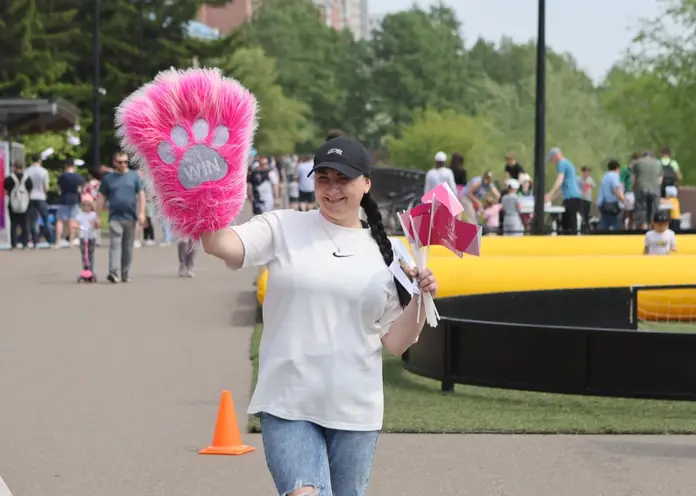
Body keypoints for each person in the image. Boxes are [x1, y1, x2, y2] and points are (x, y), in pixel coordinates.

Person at [201, 136, 437, 496]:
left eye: (343, 179)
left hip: (355, 410)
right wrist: (200, 196)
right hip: (287, 401)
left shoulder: (391, 254)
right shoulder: (283, 227)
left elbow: (395, 342)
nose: (332, 189)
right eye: (323, 178)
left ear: (366, 184)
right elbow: (220, 244)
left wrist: (421, 300)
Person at [97, 151, 146, 283]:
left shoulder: (134, 177)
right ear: (114, 163)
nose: (123, 164)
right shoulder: (108, 179)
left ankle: (125, 271)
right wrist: (98, 216)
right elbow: (101, 198)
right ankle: (113, 271)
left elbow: (141, 195)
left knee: (127, 247)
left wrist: (142, 213)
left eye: (125, 161)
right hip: (115, 217)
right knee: (115, 245)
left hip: (130, 217)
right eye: (120, 162)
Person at [545, 147, 583, 234]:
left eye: (552, 159)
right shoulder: (568, 163)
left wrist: (550, 194)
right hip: (573, 197)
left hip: (570, 198)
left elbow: (559, 181)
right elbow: (563, 187)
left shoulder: (561, 163)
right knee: (568, 223)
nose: (553, 162)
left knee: (568, 225)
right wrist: (551, 198)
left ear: (555, 156)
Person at [55, 159, 85, 247]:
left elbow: (59, 189)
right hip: (74, 199)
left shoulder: (61, 177)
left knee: (60, 220)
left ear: (65, 167)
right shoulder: (78, 177)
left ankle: (57, 241)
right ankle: (71, 242)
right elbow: (80, 190)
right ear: (73, 166)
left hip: (63, 199)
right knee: (73, 220)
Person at [24, 154, 53, 247]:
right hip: (41, 197)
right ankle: (50, 240)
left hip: (31, 197)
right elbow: (46, 187)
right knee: (46, 219)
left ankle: (35, 241)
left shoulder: (27, 171)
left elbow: (26, 185)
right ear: (39, 161)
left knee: (32, 220)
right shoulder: (44, 171)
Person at [3, 161, 33, 249]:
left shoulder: (9, 178)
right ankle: (25, 243)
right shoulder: (27, 178)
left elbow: (6, 189)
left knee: (13, 224)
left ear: (14, 167)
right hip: (25, 203)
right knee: (25, 224)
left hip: (13, 204)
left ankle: (13, 244)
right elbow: (30, 189)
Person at [632, 151, 662, 230]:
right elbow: (660, 179)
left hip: (641, 188)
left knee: (641, 209)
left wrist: (633, 188)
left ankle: (643, 229)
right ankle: (654, 229)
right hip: (655, 189)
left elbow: (633, 178)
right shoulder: (658, 163)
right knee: (654, 210)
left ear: (643, 156)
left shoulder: (637, 163)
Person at [596, 159, 625, 231]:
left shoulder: (605, 176)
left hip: (602, 204)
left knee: (605, 221)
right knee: (615, 224)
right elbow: (616, 189)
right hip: (611, 204)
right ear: (617, 168)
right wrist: (623, 200)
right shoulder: (614, 176)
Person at [76, 194, 99, 272]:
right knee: (84, 254)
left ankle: (91, 270)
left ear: (91, 206)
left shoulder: (94, 215)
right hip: (83, 237)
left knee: (90, 254)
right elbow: (76, 223)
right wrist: (76, 226)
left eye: (88, 205)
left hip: (91, 237)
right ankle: (85, 269)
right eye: (84, 205)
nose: (86, 207)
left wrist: (95, 224)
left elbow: (97, 225)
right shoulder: (80, 215)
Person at [577, 166, 595, 232]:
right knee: (581, 213)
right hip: (581, 199)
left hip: (588, 199)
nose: (587, 173)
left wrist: (588, 186)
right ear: (583, 172)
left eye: (589, 172)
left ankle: (586, 227)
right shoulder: (578, 179)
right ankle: (581, 227)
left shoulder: (590, 179)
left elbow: (592, 186)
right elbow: (578, 188)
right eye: (586, 172)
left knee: (587, 213)